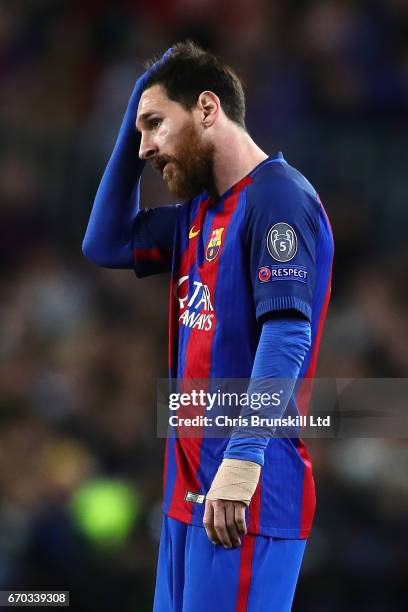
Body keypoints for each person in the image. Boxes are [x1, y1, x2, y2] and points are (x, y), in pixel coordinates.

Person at [83, 41, 334, 612]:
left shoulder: (278, 198)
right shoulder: (200, 212)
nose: (144, 147)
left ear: (206, 108)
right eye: (138, 129)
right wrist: (132, 115)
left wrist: (242, 464)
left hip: (245, 498)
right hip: (187, 499)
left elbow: (287, 334)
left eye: (154, 125)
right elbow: (104, 243)